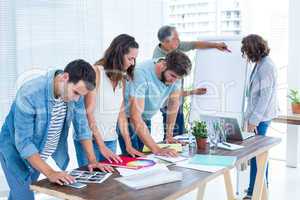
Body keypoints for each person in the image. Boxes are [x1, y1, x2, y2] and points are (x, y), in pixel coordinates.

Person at [0, 59, 113, 200]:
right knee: (24, 194)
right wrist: (51, 173)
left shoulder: (74, 95)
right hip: (14, 151)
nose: (78, 99)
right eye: (76, 93)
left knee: (20, 193)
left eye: (81, 95)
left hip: (38, 154)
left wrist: (92, 160)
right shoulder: (29, 93)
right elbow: (24, 143)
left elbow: (82, 126)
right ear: (65, 78)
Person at [74, 34, 144, 167]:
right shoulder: (96, 72)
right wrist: (101, 146)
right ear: (118, 54)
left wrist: (128, 145)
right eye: (130, 58)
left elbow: (121, 113)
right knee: (92, 185)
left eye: (134, 59)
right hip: (91, 141)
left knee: (109, 182)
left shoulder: (121, 78)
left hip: (111, 140)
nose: (132, 63)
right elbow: (88, 113)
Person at [153, 25, 230, 137]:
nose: (179, 41)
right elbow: (171, 95)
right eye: (175, 39)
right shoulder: (160, 62)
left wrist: (216, 45)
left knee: (179, 136)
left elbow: (195, 45)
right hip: (169, 105)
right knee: (174, 137)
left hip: (177, 102)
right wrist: (193, 92)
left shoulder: (174, 46)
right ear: (166, 42)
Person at [117, 50, 192, 157]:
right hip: (128, 119)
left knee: (146, 156)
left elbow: (173, 103)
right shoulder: (141, 72)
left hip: (145, 119)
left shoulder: (176, 74)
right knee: (134, 158)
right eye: (172, 76)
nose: (174, 81)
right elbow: (135, 116)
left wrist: (169, 136)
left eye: (178, 79)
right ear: (163, 65)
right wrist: (157, 149)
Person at [241, 34, 278, 200]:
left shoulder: (267, 66)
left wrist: (253, 121)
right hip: (257, 115)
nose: (246, 55)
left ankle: (254, 192)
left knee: (258, 154)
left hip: (261, 117)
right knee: (258, 154)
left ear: (254, 50)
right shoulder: (260, 64)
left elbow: (265, 97)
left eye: (247, 51)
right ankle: (257, 189)